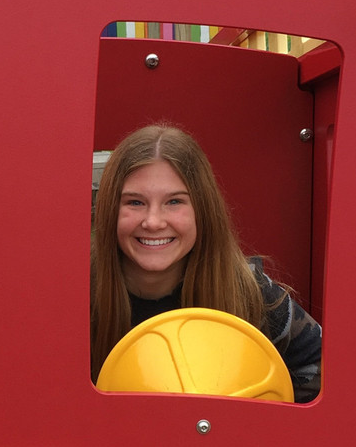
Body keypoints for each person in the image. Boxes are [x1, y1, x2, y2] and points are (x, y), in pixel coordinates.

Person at [90, 123, 321, 402]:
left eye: (174, 201)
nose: (153, 222)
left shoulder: (249, 292)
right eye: (135, 202)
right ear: (108, 210)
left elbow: (324, 372)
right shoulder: (75, 293)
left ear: (203, 209)